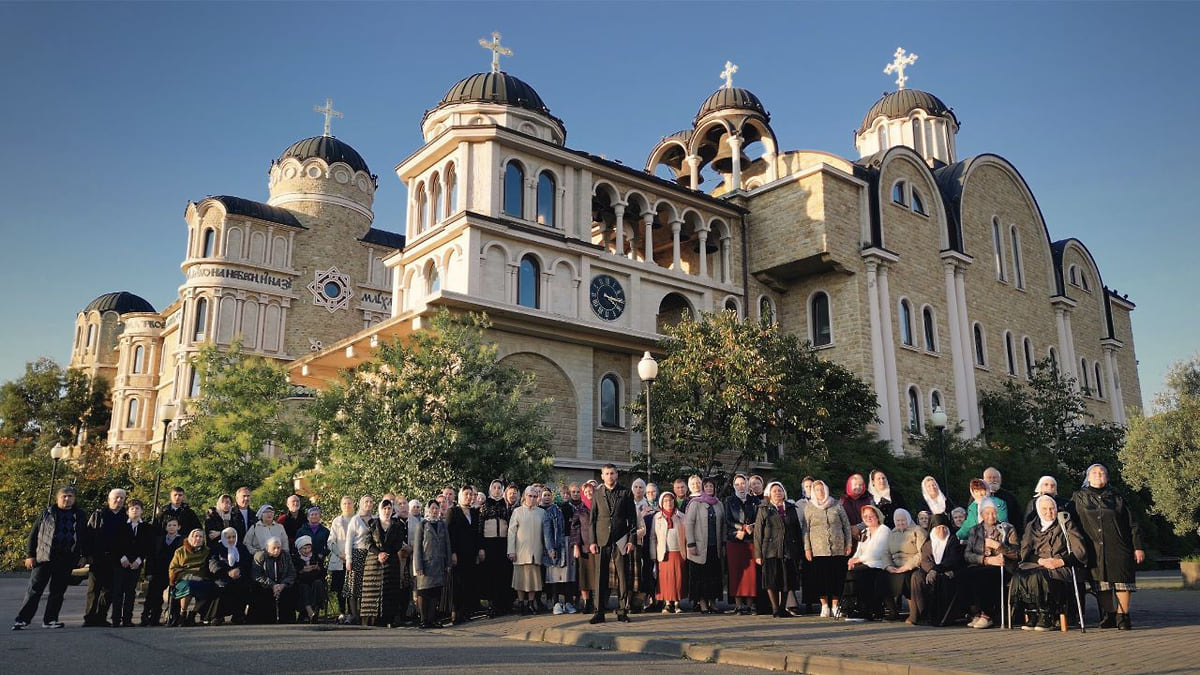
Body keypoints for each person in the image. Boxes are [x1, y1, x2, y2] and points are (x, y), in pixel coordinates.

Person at [1069, 463, 1145, 630]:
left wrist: (1137, 547)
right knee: (1101, 583)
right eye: (1095, 472)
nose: (1099, 475)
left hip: (1119, 546)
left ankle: (1123, 616)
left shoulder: (1118, 497)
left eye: (1102, 472)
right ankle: (1109, 615)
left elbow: (1133, 523)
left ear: (1107, 477)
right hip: (1093, 547)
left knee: (1122, 582)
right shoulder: (1079, 497)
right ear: (1088, 477)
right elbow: (1070, 521)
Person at [13, 485, 88, 630]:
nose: (67, 499)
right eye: (64, 496)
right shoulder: (47, 513)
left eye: (70, 496)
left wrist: (83, 556)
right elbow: (33, 535)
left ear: (74, 498)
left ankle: (50, 620)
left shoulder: (79, 515)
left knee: (58, 591)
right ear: (57, 498)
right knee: (35, 589)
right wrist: (30, 555)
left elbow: (84, 537)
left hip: (66, 558)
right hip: (45, 557)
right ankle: (22, 620)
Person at [1012, 495, 1088, 631]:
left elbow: (1080, 550)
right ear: (1038, 510)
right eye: (1045, 509)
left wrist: (1060, 562)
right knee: (1020, 575)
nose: (1049, 512)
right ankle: (1032, 613)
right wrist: (1040, 560)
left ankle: (1046, 614)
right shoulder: (1031, 526)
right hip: (1036, 563)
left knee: (1040, 575)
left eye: (1052, 508)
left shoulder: (1066, 523)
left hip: (1060, 565)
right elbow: (1024, 552)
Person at [590, 464, 638, 624]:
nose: (610, 476)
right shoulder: (597, 494)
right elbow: (592, 520)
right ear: (602, 476)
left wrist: (631, 540)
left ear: (617, 475)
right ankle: (599, 612)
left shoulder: (626, 492)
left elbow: (632, 519)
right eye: (607, 474)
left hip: (621, 539)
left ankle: (622, 610)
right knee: (600, 576)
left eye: (612, 473)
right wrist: (592, 542)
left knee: (622, 575)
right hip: (602, 538)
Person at [962, 498, 1018, 629]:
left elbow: (1016, 553)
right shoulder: (974, 530)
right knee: (965, 574)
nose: (991, 516)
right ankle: (976, 612)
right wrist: (985, 559)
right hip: (982, 564)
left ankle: (987, 615)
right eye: (987, 513)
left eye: (994, 513)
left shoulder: (1007, 528)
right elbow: (967, 554)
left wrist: (999, 546)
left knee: (985, 576)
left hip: (1002, 567)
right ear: (981, 515)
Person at [803, 480, 852, 618]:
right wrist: (807, 548)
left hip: (837, 547)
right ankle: (824, 605)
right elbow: (805, 529)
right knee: (820, 578)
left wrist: (848, 544)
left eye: (822, 489)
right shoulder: (809, 508)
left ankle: (836, 605)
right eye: (817, 490)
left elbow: (846, 525)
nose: (820, 492)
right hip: (818, 549)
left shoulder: (837, 504)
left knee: (836, 577)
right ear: (813, 492)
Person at [754, 481, 803, 618]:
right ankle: (775, 609)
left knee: (787, 580)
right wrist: (758, 554)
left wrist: (799, 550)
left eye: (780, 491)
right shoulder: (764, 509)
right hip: (770, 549)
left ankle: (783, 608)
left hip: (789, 549)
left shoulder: (791, 508)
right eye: (774, 491)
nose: (777, 493)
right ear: (769, 493)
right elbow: (758, 533)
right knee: (772, 580)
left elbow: (797, 530)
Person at [82, 488, 127, 627]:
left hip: (116, 558)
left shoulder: (126, 516)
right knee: (93, 589)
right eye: (116, 497)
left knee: (109, 590)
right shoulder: (99, 514)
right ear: (109, 499)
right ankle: (89, 618)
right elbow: (88, 535)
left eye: (122, 498)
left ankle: (101, 617)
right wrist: (86, 555)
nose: (119, 500)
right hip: (98, 557)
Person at [908, 524, 964, 626]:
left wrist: (936, 570)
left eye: (944, 528)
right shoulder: (928, 544)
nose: (942, 530)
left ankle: (940, 618)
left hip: (947, 571)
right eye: (939, 528)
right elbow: (925, 561)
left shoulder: (952, 541)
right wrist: (930, 570)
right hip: (930, 571)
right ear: (933, 529)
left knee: (942, 578)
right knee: (916, 576)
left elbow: (952, 560)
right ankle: (920, 615)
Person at [842, 504, 891, 621]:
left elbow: (877, 553)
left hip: (879, 564)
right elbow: (859, 551)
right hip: (866, 563)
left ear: (877, 517)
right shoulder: (865, 531)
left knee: (860, 573)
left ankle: (866, 610)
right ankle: (851, 607)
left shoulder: (884, 530)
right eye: (865, 516)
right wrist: (852, 560)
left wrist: (858, 560)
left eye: (871, 516)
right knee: (850, 571)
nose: (868, 518)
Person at [362, 499, 406, 627]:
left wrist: (387, 553)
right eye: (384, 508)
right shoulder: (372, 524)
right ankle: (371, 620)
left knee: (390, 591)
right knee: (372, 591)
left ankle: (389, 619)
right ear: (380, 509)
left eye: (389, 509)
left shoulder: (397, 525)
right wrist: (378, 553)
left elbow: (399, 542)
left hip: (391, 561)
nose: (387, 511)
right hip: (373, 562)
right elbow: (367, 542)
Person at [685, 477, 725, 614]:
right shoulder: (695, 503)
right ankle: (702, 603)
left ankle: (713, 603)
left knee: (713, 576)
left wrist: (723, 543)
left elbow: (723, 525)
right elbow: (689, 524)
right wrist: (691, 544)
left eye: (711, 487)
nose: (709, 489)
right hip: (700, 547)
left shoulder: (719, 504)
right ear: (703, 488)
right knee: (701, 577)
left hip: (715, 547)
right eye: (706, 486)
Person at [110, 499, 153, 627]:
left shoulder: (146, 527)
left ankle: (127, 618)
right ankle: (116, 619)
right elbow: (115, 544)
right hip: (120, 563)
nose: (135, 511)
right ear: (128, 511)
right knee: (118, 591)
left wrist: (139, 560)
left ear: (142, 511)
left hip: (136, 563)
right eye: (132, 508)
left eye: (138, 508)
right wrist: (122, 558)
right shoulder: (120, 526)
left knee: (130, 592)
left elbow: (147, 546)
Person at [879, 508, 926, 621]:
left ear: (908, 519)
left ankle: (913, 613)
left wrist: (907, 566)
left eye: (903, 520)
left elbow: (922, 553)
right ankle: (892, 611)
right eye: (898, 520)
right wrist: (888, 566)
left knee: (906, 579)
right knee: (881, 578)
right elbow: (885, 553)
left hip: (911, 566)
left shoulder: (917, 531)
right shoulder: (892, 533)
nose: (900, 523)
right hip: (895, 566)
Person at [508, 486, 549, 615]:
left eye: (535, 496)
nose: (532, 499)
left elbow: (545, 533)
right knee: (520, 580)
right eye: (530, 496)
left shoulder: (542, 512)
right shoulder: (517, 512)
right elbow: (511, 532)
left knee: (533, 581)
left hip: (536, 551)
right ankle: (521, 604)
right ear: (525, 496)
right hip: (520, 552)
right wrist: (511, 550)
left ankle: (531, 603)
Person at [447, 486, 484, 623]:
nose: (469, 497)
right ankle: (456, 613)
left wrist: (480, 549)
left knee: (469, 583)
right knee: (458, 584)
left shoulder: (475, 513)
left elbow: (478, 532)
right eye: (466, 494)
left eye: (470, 494)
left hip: (471, 553)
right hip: (458, 554)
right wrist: (453, 553)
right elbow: (450, 534)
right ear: (460, 496)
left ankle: (466, 612)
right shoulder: (453, 512)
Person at [414, 501, 452, 629]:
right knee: (424, 592)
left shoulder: (442, 524)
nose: (435, 511)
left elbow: (447, 544)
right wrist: (418, 566)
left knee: (435, 593)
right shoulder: (422, 524)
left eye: (437, 508)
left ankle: (432, 619)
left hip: (439, 564)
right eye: (432, 508)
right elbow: (417, 547)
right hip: (426, 564)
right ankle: (424, 620)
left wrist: (448, 563)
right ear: (428, 510)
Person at [725, 473, 759, 615]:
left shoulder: (754, 501)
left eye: (743, 483)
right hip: (735, 541)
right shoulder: (729, 500)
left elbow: (759, 519)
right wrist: (741, 528)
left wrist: (751, 527)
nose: (741, 486)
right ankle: (738, 605)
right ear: (734, 486)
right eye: (737, 484)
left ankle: (751, 605)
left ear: (747, 484)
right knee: (736, 573)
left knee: (750, 575)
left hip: (750, 541)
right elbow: (727, 520)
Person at [648, 490, 687, 614]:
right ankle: (667, 604)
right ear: (661, 503)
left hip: (678, 552)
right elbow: (653, 537)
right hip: (664, 553)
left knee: (678, 578)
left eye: (670, 500)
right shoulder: (657, 517)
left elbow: (687, 536)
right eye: (665, 500)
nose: (668, 503)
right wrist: (653, 555)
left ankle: (677, 603)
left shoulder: (681, 516)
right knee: (665, 579)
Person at [141, 515, 183, 626]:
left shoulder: (183, 541)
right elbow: (151, 556)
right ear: (165, 528)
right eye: (169, 525)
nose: (172, 527)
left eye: (174, 525)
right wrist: (148, 572)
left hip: (175, 572)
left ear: (179, 527)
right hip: (158, 571)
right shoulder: (159, 540)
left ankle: (173, 617)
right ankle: (151, 617)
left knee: (175, 596)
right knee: (154, 595)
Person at [541, 487, 575, 615]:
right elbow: (547, 531)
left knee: (568, 576)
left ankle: (568, 603)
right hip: (556, 544)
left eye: (567, 493)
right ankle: (556, 603)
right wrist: (550, 548)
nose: (565, 495)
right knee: (555, 576)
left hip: (568, 544)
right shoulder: (551, 511)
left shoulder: (572, 508)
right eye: (562, 493)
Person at [168, 529, 213, 627]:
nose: (198, 539)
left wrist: (201, 577)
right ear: (190, 538)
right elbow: (173, 568)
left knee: (210, 587)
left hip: (200, 578)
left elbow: (209, 567)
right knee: (189, 586)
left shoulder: (207, 551)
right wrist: (189, 576)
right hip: (183, 579)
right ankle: (182, 613)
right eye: (196, 536)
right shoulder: (180, 551)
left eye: (201, 537)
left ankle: (192, 614)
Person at [480, 480, 512, 617]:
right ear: (490, 489)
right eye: (495, 487)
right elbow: (479, 527)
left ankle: (502, 604)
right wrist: (481, 547)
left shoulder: (505, 505)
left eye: (500, 488)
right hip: (489, 543)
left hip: (503, 543)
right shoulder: (484, 505)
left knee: (502, 574)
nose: (497, 490)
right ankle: (492, 605)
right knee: (490, 574)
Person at [208, 526, 252, 624]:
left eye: (233, 537)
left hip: (239, 575)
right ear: (224, 538)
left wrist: (239, 570)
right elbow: (213, 563)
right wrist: (228, 572)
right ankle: (218, 615)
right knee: (222, 586)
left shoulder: (241, 547)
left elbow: (247, 562)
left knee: (243, 585)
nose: (231, 539)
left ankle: (238, 614)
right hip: (222, 575)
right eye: (228, 537)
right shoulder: (217, 548)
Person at [341, 495, 373, 625]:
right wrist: (348, 559)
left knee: (367, 586)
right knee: (354, 586)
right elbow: (349, 540)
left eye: (371, 502)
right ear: (361, 503)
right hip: (357, 553)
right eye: (366, 501)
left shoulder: (375, 519)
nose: (368, 504)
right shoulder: (355, 519)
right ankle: (355, 615)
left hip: (370, 554)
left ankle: (365, 614)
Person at [251, 538, 296, 624]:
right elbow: (257, 575)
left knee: (291, 590)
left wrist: (282, 585)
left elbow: (292, 574)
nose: (277, 550)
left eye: (279, 548)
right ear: (267, 548)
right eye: (274, 548)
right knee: (259, 591)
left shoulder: (286, 556)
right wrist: (272, 585)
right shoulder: (259, 556)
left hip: (282, 585)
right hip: (265, 585)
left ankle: (287, 619)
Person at [327, 496, 355, 623]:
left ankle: (352, 612)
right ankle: (342, 612)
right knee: (340, 588)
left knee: (352, 587)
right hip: (339, 559)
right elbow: (331, 540)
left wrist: (350, 555)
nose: (347, 506)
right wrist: (339, 554)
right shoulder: (336, 521)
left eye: (349, 503)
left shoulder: (356, 519)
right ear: (340, 505)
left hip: (353, 558)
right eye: (344, 503)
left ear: (353, 504)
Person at [571, 481, 597, 615]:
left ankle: (596, 603)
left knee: (596, 577)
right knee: (584, 577)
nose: (588, 493)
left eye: (590, 491)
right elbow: (575, 528)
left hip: (597, 547)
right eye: (586, 492)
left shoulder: (600, 507)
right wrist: (576, 546)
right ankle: (587, 603)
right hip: (584, 548)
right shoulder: (579, 509)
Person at [292, 535, 327, 623]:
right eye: (304, 548)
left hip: (315, 580)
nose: (307, 550)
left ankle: (315, 610)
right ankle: (310, 612)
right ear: (299, 549)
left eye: (309, 548)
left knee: (318, 584)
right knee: (304, 588)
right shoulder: (295, 558)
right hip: (301, 582)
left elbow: (323, 572)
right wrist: (302, 570)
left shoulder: (316, 556)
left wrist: (317, 568)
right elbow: (293, 573)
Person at [635, 481, 658, 612]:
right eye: (648, 492)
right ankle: (645, 600)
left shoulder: (660, 505)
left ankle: (656, 600)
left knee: (655, 574)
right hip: (642, 544)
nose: (650, 494)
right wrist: (642, 514)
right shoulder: (641, 506)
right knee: (645, 573)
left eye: (653, 491)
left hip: (656, 544)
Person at [984, 467, 1024, 539]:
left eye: (995, 478)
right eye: (989, 478)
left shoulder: (1009, 497)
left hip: (1005, 537)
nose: (992, 480)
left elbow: (1017, 519)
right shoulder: (977, 497)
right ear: (984, 480)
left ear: (1000, 480)